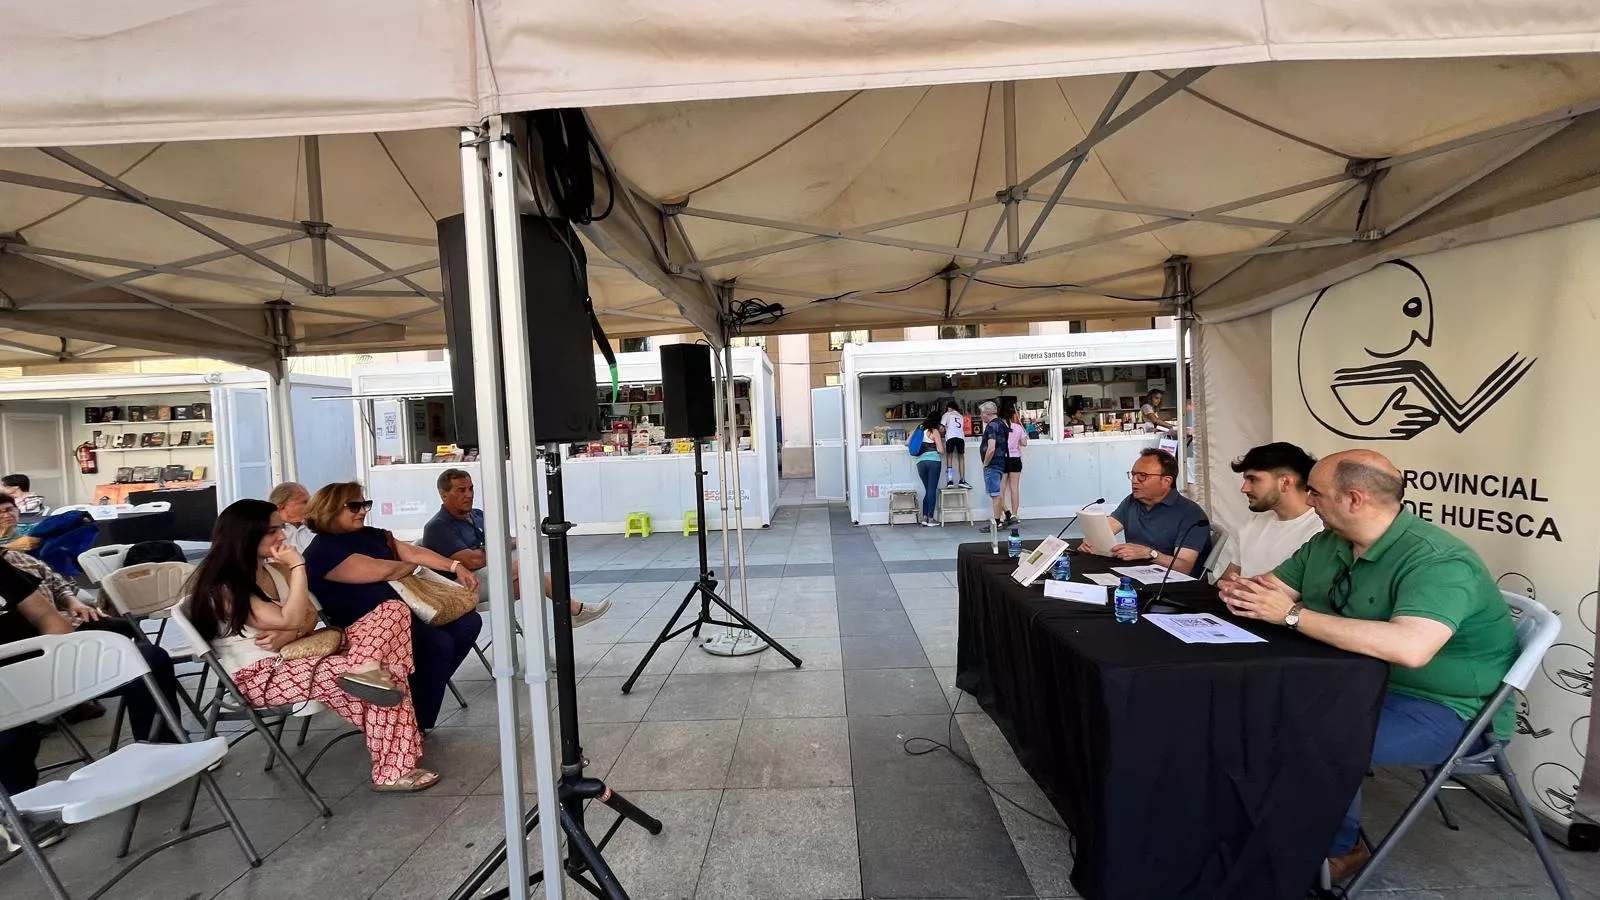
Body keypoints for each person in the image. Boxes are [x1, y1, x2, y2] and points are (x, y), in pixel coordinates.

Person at [1219, 449, 1519, 882]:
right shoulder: (1330, 542)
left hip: (1449, 710)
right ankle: (1257, 830)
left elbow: (1411, 647)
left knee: (1314, 734)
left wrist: (1292, 615)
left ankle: (1343, 850)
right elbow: (1273, 589)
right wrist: (1245, 593)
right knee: (1247, 707)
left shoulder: (1437, 560)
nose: (1309, 501)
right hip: (1357, 682)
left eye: (1316, 493)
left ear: (1354, 500)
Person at [186, 499, 437, 792]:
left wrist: (288, 634)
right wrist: (297, 567)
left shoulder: (274, 571)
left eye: (281, 528)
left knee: (392, 610)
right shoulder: (224, 586)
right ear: (245, 535)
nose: (282, 535)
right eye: (273, 530)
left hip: (302, 651)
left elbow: (308, 617)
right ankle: (392, 771)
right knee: (385, 675)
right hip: (261, 675)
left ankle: (366, 669)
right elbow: (291, 617)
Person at [0, 552, 184, 848]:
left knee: (148, 659)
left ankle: (163, 749)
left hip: (42, 667)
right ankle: (16, 810)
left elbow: (48, 619)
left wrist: (58, 669)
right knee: (11, 728)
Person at [301, 482, 483, 732]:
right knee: (437, 644)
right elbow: (381, 570)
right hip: (367, 626)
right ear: (330, 509)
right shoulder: (322, 550)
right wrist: (410, 567)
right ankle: (411, 720)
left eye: (365, 505)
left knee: (468, 623)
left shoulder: (371, 534)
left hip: (406, 613)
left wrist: (455, 566)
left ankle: (414, 704)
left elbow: (413, 552)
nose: (362, 511)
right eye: (354, 506)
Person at [417, 469, 609, 626]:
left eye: (471, 488)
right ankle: (574, 612)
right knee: (527, 564)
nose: (469, 495)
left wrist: (493, 548)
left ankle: (557, 632)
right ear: (443, 494)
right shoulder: (438, 527)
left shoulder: (477, 515)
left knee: (536, 580)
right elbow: (473, 561)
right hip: (462, 587)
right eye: (461, 490)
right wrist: (497, 548)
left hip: (489, 575)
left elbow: (506, 540)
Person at [1081, 448, 1209, 574]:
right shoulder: (1132, 501)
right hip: (1134, 573)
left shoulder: (1191, 514)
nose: (1134, 480)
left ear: (1166, 481)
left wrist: (1150, 554)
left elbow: (1184, 567)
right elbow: (1104, 532)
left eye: (1142, 476)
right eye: (1133, 474)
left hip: (1173, 582)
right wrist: (1092, 542)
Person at [1218, 442, 1324, 580]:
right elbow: (1227, 580)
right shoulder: (1252, 525)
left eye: (1253, 479)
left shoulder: (1321, 530)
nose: (1244, 489)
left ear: (1285, 482)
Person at [976, 401, 1011, 532]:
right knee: (997, 492)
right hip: (1001, 461)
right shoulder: (1002, 424)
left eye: (982, 413)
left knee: (995, 494)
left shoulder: (991, 426)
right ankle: (1008, 514)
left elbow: (991, 448)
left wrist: (986, 463)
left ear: (987, 413)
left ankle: (996, 522)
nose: (981, 416)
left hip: (993, 463)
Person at [910, 412, 945, 527]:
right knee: (931, 490)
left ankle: (924, 518)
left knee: (928, 490)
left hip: (920, 463)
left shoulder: (918, 430)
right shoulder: (934, 431)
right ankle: (930, 518)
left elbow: (907, 443)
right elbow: (940, 450)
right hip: (933, 462)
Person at [268, 482, 315, 553]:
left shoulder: (316, 527)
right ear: (282, 506)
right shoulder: (269, 533)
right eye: (304, 502)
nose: (310, 505)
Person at [1002, 406, 1028, 524]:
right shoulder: (1018, 427)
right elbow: (1024, 443)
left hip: (1002, 459)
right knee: (1014, 488)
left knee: (1001, 489)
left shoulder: (999, 428)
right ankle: (1015, 514)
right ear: (1013, 416)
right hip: (1015, 458)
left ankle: (1002, 514)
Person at [938, 402, 970, 488]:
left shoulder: (947, 414)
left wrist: (940, 432)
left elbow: (941, 428)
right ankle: (962, 480)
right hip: (960, 437)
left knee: (949, 457)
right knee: (961, 458)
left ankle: (950, 480)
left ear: (950, 408)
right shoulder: (960, 416)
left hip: (950, 437)